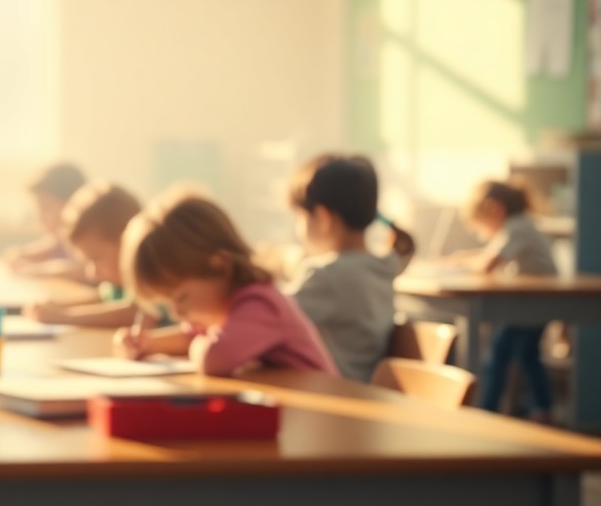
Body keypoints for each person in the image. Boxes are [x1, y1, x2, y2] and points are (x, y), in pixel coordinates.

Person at [113, 190, 336, 377]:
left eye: (181, 298)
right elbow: (191, 335)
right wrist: (146, 344)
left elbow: (214, 358)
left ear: (219, 266)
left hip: (323, 415)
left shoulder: (259, 303)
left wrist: (198, 345)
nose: (176, 313)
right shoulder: (227, 307)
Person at [283, 155, 415, 383]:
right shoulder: (384, 266)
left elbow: (267, 317)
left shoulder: (326, 276)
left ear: (323, 218)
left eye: (299, 216)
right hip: (364, 391)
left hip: (331, 394)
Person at [447, 178, 556, 421]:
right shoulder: (517, 226)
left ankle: (487, 413)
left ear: (495, 209)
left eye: (481, 225)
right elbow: (490, 254)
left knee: (499, 356)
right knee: (526, 355)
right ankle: (543, 408)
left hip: (531, 306)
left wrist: (460, 263)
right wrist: (460, 258)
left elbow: (488, 263)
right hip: (527, 305)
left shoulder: (517, 227)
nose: (482, 232)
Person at [24, 181, 144, 328]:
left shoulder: (148, 277)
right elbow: (104, 298)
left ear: (127, 241)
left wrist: (63, 317)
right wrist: (59, 306)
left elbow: (133, 312)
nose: (91, 273)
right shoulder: (118, 284)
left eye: (96, 259)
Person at [4, 162, 88, 279]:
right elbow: (17, 254)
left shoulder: (85, 238)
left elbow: (84, 271)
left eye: (44, 207)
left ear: (71, 204)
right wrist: (17, 257)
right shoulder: (60, 240)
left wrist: (36, 270)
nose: (39, 216)